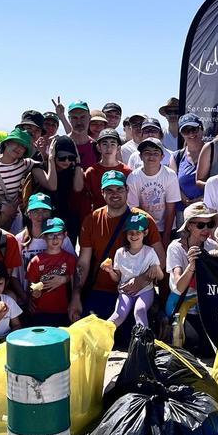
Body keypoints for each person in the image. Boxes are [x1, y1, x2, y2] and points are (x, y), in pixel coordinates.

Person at [78, 170, 164, 321]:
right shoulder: (91, 220)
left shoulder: (143, 219)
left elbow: (161, 261)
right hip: (100, 291)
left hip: (135, 292)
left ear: (127, 190)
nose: (115, 194)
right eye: (109, 190)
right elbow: (83, 264)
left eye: (119, 189)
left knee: (133, 336)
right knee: (96, 336)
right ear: (102, 193)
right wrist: (75, 296)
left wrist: (143, 279)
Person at [165, 202, 218, 353]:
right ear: (189, 226)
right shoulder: (175, 248)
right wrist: (191, 266)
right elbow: (178, 286)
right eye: (201, 225)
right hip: (183, 304)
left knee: (213, 345)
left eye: (210, 224)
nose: (206, 229)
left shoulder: (212, 246)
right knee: (195, 345)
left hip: (206, 305)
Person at [101, 213, 161, 328]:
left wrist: (155, 267)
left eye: (138, 232)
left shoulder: (149, 252)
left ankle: (143, 341)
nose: (134, 235)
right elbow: (117, 278)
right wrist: (110, 271)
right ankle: (100, 338)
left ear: (145, 233)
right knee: (118, 315)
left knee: (140, 310)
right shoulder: (120, 252)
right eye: (130, 232)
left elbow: (161, 276)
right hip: (126, 291)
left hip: (145, 290)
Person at [26, 217, 81, 326]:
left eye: (58, 234)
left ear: (65, 235)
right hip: (40, 311)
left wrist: (73, 305)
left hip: (64, 311)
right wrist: (34, 292)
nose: (55, 239)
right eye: (50, 235)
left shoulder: (70, 259)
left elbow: (75, 284)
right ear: (44, 237)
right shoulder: (35, 261)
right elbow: (30, 286)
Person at [15, 193, 77, 288]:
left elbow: (75, 269)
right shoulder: (19, 240)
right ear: (29, 214)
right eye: (36, 211)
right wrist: (25, 299)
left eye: (45, 211)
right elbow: (13, 276)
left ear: (50, 213)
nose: (41, 215)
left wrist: (64, 279)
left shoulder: (61, 238)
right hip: (27, 297)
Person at [126, 138, 181, 245]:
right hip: (143, 227)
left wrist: (165, 237)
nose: (151, 156)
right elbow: (135, 209)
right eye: (147, 153)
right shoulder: (133, 177)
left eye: (156, 153)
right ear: (140, 156)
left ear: (162, 157)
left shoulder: (170, 175)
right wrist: (147, 231)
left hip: (167, 227)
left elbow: (171, 209)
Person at [34, 135, 85, 231]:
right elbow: (52, 186)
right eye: (62, 157)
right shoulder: (39, 168)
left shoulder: (75, 170)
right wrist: (50, 159)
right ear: (54, 154)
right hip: (42, 218)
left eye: (71, 157)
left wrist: (78, 162)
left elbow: (78, 188)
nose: (67, 161)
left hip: (65, 219)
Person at [85, 129, 131, 211]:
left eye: (113, 144)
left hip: (123, 218)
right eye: (105, 144)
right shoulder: (91, 172)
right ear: (98, 148)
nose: (109, 148)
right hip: (99, 218)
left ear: (118, 148)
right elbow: (87, 200)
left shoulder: (127, 171)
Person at [173, 114, 206, 206]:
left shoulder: (213, 153)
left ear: (202, 129)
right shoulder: (177, 157)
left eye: (194, 129)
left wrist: (202, 199)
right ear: (181, 134)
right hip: (183, 211)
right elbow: (172, 184)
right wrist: (184, 199)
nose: (191, 133)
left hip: (209, 211)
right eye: (186, 131)